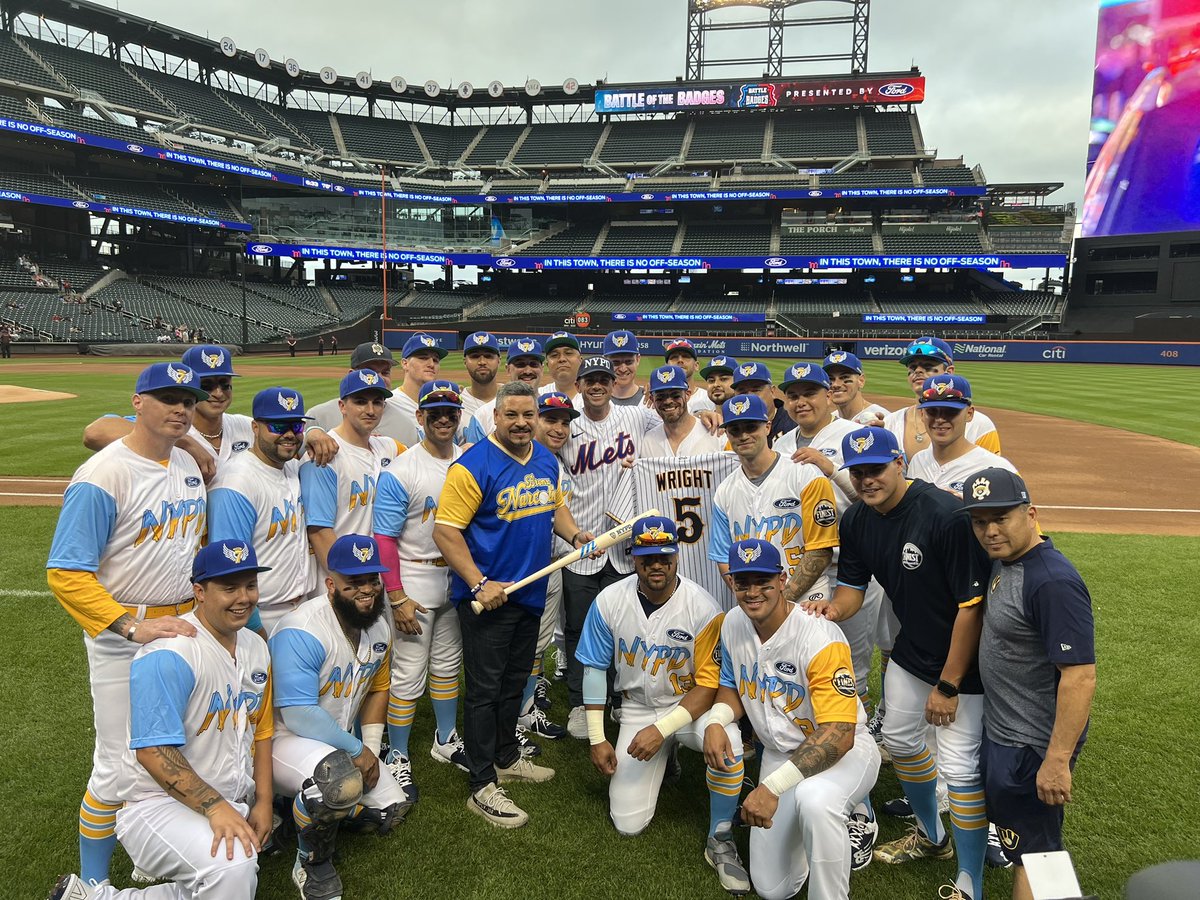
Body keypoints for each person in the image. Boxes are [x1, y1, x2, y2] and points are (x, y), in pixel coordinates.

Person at [805, 426, 990, 900]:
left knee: (961, 768)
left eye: (877, 469)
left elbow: (973, 608)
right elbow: (852, 588)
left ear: (900, 465)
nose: (867, 480)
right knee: (902, 742)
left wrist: (949, 685)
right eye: (859, 472)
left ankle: (970, 880)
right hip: (912, 652)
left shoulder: (944, 515)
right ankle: (933, 839)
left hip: (967, 663)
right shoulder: (858, 522)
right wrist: (832, 609)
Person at [46, 362, 209, 888]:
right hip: (125, 636)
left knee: (178, 745)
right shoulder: (104, 475)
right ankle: (90, 887)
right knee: (116, 765)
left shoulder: (186, 464)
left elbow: (193, 548)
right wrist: (129, 628)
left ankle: (149, 849)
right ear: (136, 403)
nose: (180, 408)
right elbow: (67, 573)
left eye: (186, 399)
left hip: (182, 627)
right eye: (166, 397)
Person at [48, 540, 275, 900]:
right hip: (154, 806)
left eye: (250, 585)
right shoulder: (171, 653)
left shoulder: (255, 646)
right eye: (229, 587)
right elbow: (153, 752)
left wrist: (263, 801)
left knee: (222, 876)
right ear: (199, 592)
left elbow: (262, 730)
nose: (243, 597)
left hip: (223, 796)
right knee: (233, 864)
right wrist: (217, 809)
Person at [433, 381, 595, 828]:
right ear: (496, 417)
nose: (522, 423)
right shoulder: (472, 467)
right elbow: (446, 532)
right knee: (485, 691)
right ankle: (481, 783)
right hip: (488, 598)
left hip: (529, 592)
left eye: (530, 415)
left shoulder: (545, 459)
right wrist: (479, 582)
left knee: (513, 682)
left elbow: (553, 507)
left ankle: (505, 756)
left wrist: (574, 533)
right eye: (512, 415)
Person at [577, 517, 750, 895]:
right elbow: (593, 669)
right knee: (627, 822)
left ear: (677, 555)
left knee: (730, 745)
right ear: (633, 558)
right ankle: (666, 757)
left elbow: (708, 685)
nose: (656, 564)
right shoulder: (608, 601)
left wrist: (662, 730)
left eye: (664, 556)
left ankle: (720, 837)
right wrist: (595, 737)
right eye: (647, 557)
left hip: (689, 707)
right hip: (637, 708)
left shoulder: (703, 607)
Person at [703, 538, 880, 900]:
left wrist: (770, 788)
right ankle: (812, 830)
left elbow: (840, 734)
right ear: (732, 583)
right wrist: (716, 721)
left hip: (843, 754)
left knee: (817, 800)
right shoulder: (733, 623)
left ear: (783, 580)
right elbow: (733, 687)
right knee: (773, 889)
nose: (753, 592)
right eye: (743, 582)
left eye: (763, 581)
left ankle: (844, 829)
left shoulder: (818, 636)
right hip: (780, 753)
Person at [963, 469, 1096, 900]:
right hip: (1006, 734)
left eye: (1001, 517)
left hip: (1032, 744)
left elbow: (1080, 677)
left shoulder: (1052, 582)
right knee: (1027, 845)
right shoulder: (1008, 560)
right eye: (980, 521)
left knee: (1037, 856)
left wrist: (1056, 760)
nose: (990, 530)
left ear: (1031, 514)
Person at [270, 534, 409, 900]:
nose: (366, 590)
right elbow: (299, 715)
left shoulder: (378, 625)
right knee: (340, 783)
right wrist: (357, 752)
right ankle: (311, 862)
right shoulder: (302, 629)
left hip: (336, 741)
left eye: (373, 580)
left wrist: (373, 752)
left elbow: (380, 687)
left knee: (394, 804)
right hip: (281, 742)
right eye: (354, 583)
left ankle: (327, 810)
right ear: (331, 585)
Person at [373, 381, 468, 804]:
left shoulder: (468, 462)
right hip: (415, 578)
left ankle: (445, 738)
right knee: (408, 672)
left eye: (451, 410)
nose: (444, 417)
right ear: (420, 417)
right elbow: (384, 539)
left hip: (457, 579)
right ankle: (396, 754)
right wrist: (395, 595)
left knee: (448, 664)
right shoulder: (402, 470)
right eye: (435, 411)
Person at [559, 356, 661, 739]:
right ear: (581, 385)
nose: (598, 385)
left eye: (604, 379)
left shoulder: (634, 417)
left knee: (623, 627)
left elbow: (672, 429)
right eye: (591, 380)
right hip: (580, 544)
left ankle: (619, 700)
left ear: (612, 381)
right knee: (578, 628)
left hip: (622, 547)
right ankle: (578, 704)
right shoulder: (567, 426)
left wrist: (706, 418)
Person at [709, 393, 840, 604]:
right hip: (755, 603)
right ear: (727, 433)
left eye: (751, 427)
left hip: (809, 601)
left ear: (767, 427)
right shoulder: (724, 492)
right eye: (735, 429)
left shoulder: (805, 475)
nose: (743, 435)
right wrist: (750, 598)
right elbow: (724, 558)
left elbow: (820, 550)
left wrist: (779, 602)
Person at [207, 387, 312, 634]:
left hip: (302, 606)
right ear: (255, 428)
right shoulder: (237, 482)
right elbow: (229, 569)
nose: (289, 434)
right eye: (278, 427)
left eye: (296, 426)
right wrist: (254, 628)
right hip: (262, 615)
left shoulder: (291, 468)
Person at [82, 345, 254, 483]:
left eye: (225, 384)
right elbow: (94, 432)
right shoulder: (168, 427)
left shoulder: (245, 425)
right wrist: (185, 442)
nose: (218, 393)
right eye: (207, 385)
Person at [299, 369, 403, 589]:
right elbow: (319, 532)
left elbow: (424, 457)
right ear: (342, 406)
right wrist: (350, 584)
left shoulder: (388, 447)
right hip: (342, 583)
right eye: (360, 401)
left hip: (376, 577)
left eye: (377, 402)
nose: (370, 410)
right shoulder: (323, 456)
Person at [882, 339, 1000, 459]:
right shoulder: (890, 422)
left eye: (928, 366)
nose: (917, 371)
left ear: (949, 372)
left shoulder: (979, 425)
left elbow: (992, 473)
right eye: (912, 367)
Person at [906, 374, 1018, 498]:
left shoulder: (997, 468)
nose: (939, 419)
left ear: (969, 414)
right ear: (922, 414)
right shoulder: (918, 461)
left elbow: (1024, 516)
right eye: (932, 411)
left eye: (950, 411)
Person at [306, 342, 419, 457]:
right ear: (351, 374)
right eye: (370, 372)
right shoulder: (319, 417)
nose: (379, 378)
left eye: (385, 372)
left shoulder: (406, 425)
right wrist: (308, 434)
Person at [465, 337, 546, 443]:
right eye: (520, 364)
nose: (527, 371)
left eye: (533, 364)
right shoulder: (483, 415)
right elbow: (475, 457)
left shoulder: (554, 408)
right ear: (508, 369)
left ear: (542, 369)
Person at [641, 365, 726, 457]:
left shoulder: (716, 435)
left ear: (688, 395)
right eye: (661, 397)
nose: (668, 401)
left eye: (675, 395)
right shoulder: (646, 443)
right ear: (652, 399)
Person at [730, 361, 796, 446]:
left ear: (772, 391)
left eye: (756, 390)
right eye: (742, 392)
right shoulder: (729, 425)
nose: (750, 397)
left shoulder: (793, 421)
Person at [823, 350, 889, 425]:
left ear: (861, 381)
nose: (836, 384)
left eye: (844, 377)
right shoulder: (830, 421)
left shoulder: (882, 419)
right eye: (830, 379)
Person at [460, 331, 502, 417]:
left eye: (488, 356)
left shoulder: (512, 397)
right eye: (475, 356)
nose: (482, 362)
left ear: (499, 360)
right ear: (465, 362)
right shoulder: (456, 403)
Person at [603, 329, 646, 405]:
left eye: (629, 362)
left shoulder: (651, 400)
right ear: (605, 361)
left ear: (638, 359)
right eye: (615, 362)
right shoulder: (593, 401)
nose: (623, 369)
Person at [541, 330, 582, 397]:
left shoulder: (595, 397)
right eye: (554, 355)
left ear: (580, 360)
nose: (562, 359)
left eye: (568, 353)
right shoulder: (537, 397)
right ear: (547, 364)